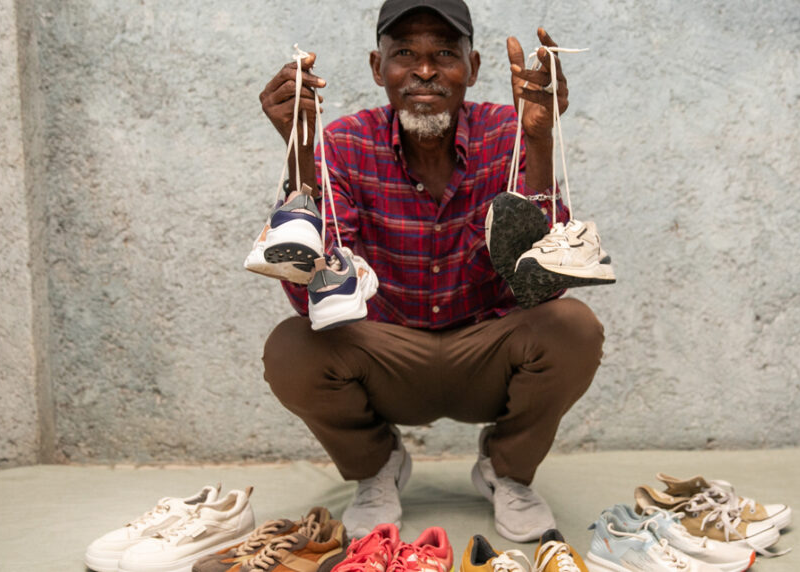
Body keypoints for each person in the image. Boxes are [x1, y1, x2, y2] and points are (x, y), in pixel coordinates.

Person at [258, 0, 605, 542]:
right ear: (378, 68)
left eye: (445, 52)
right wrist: (298, 146)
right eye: (405, 54)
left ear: (474, 66)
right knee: (292, 347)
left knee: (573, 326)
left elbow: (547, 281)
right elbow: (314, 299)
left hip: (486, 357)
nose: (424, 70)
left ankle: (507, 471)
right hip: (387, 359)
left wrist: (539, 139)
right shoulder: (346, 145)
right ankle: (377, 468)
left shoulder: (508, 132)